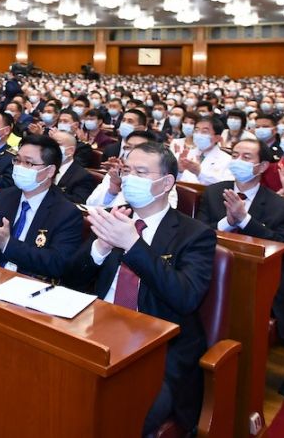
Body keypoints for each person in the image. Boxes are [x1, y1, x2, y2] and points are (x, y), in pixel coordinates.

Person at [64, 142, 215, 435]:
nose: (130, 178)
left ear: (166, 183)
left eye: (141, 172)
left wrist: (133, 245)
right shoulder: (115, 216)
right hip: (97, 331)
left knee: (114, 417)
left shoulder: (195, 234)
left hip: (157, 351)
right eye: (128, 170)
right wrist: (99, 248)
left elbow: (185, 298)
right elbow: (72, 279)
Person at [197, 139, 284, 341]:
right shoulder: (214, 193)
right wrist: (228, 222)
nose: (238, 161)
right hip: (211, 268)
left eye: (246, 157)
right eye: (235, 156)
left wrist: (245, 220)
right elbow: (198, 232)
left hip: (256, 276)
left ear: (262, 166)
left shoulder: (282, 207)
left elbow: (283, 248)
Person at [0, 134, 84, 279]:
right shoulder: (4, 196)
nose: (19, 167)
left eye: (28, 163)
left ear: (50, 171)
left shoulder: (66, 213)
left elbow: (57, 263)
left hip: (30, 281)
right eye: (17, 160)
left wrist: (6, 243)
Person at [87, 130, 178, 209]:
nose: (132, 151)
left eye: (139, 148)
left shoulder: (161, 180)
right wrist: (112, 191)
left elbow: (168, 211)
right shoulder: (117, 173)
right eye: (128, 147)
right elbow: (90, 204)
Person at [175, 114, 232, 185]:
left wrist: (199, 173)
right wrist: (179, 171)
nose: (198, 135)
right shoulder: (185, 155)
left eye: (204, 132)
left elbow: (224, 186)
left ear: (217, 138)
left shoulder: (227, 160)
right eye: (196, 131)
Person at [50, 130, 98, 204]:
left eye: (57, 144)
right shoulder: (41, 167)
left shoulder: (83, 177)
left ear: (71, 151)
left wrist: (48, 190)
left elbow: (78, 202)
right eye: (50, 144)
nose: (50, 148)